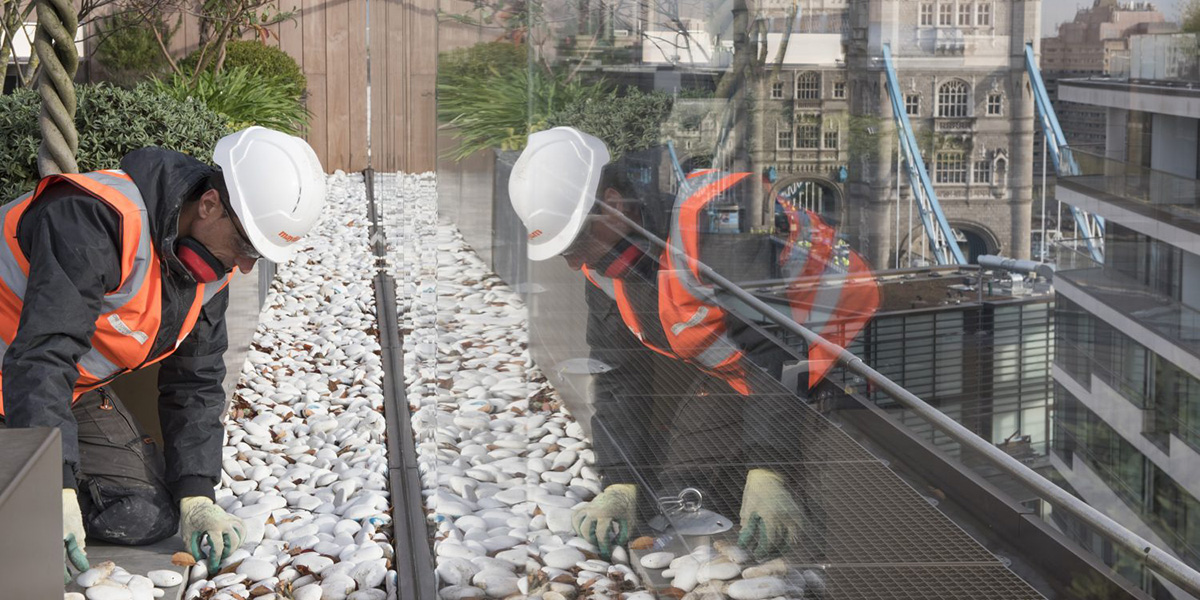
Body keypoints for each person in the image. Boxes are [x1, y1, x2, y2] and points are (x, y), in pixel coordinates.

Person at [508, 127, 879, 560]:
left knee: (791, 486)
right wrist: (620, 482)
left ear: (611, 206)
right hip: (745, 372)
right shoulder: (607, 268)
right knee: (684, 483)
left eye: (575, 243)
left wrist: (769, 470)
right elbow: (619, 377)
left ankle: (816, 565)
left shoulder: (717, 223)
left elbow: (774, 353)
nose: (573, 263)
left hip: (842, 355)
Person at [0, 126, 326, 580]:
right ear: (209, 205)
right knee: (34, 502)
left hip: (64, 390)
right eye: (247, 245)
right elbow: (42, 354)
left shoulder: (208, 271)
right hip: (26, 374)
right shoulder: (92, 219)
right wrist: (51, 484)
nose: (248, 266)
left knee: (142, 513)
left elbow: (196, 381)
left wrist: (196, 494)